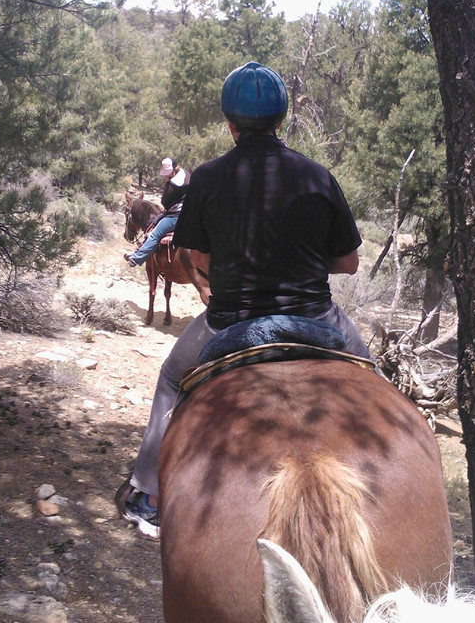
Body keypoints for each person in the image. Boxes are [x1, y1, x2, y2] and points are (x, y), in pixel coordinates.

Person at [115, 61, 369, 538]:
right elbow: (349, 262)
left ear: (230, 124)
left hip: (230, 320)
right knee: (376, 382)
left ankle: (147, 493)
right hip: (315, 316)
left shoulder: (208, 178)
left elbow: (197, 255)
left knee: (171, 377)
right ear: (281, 121)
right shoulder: (318, 175)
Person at [123, 157, 190, 267]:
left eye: (167, 173)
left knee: (155, 234)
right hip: (189, 213)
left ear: (173, 169)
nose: (166, 176)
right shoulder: (187, 175)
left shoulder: (171, 185)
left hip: (176, 216)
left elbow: (165, 202)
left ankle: (137, 258)